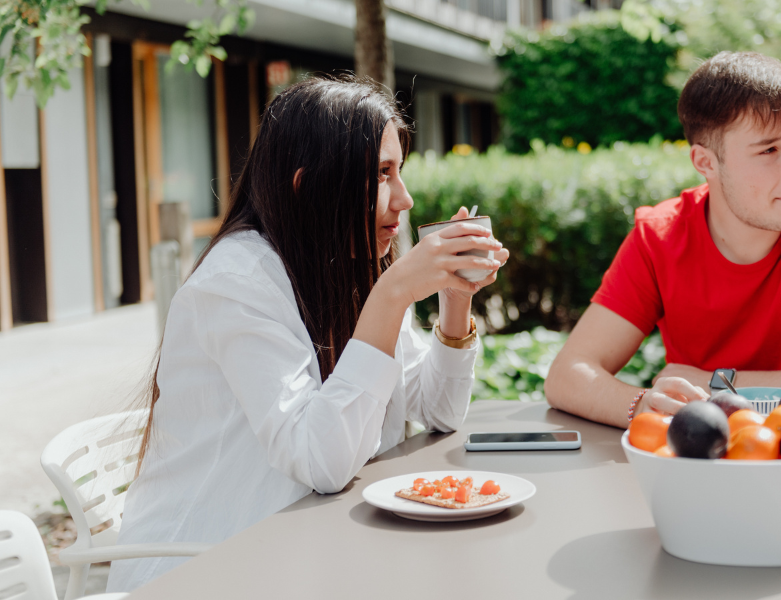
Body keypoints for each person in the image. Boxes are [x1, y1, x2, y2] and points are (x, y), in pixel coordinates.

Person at [107, 76, 509, 592]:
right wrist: (391, 296)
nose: (404, 199)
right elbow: (322, 462)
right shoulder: (237, 284)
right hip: (204, 568)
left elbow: (438, 410)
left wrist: (455, 298)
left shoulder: (348, 265)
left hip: (305, 550)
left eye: (399, 171)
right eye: (382, 174)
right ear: (307, 187)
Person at [545, 52, 781, 430]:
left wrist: (720, 385)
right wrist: (641, 406)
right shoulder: (659, 236)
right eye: (769, 150)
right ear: (705, 162)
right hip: (707, 455)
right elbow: (567, 375)